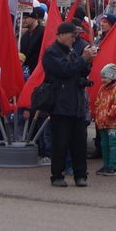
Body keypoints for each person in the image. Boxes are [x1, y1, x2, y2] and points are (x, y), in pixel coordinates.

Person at [42, 21, 95, 188]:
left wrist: (88, 61)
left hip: (77, 104)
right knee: (60, 143)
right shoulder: (51, 53)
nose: (74, 40)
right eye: (72, 36)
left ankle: (81, 175)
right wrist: (82, 59)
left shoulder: (72, 52)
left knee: (79, 143)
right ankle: (57, 175)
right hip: (61, 105)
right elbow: (65, 70)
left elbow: (78, 72)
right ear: (61, 35)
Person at [90, 62, 116, 177]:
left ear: (112, 76)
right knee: (104, 145)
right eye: (102, 77)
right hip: (102, 123)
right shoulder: (102, 88)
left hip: (113, 124)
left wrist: (108, 115)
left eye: (105, 77)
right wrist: (97, 115)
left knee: (112, 144)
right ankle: (106, 165)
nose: (102, 80)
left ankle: (112, 167)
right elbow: (98, 102)